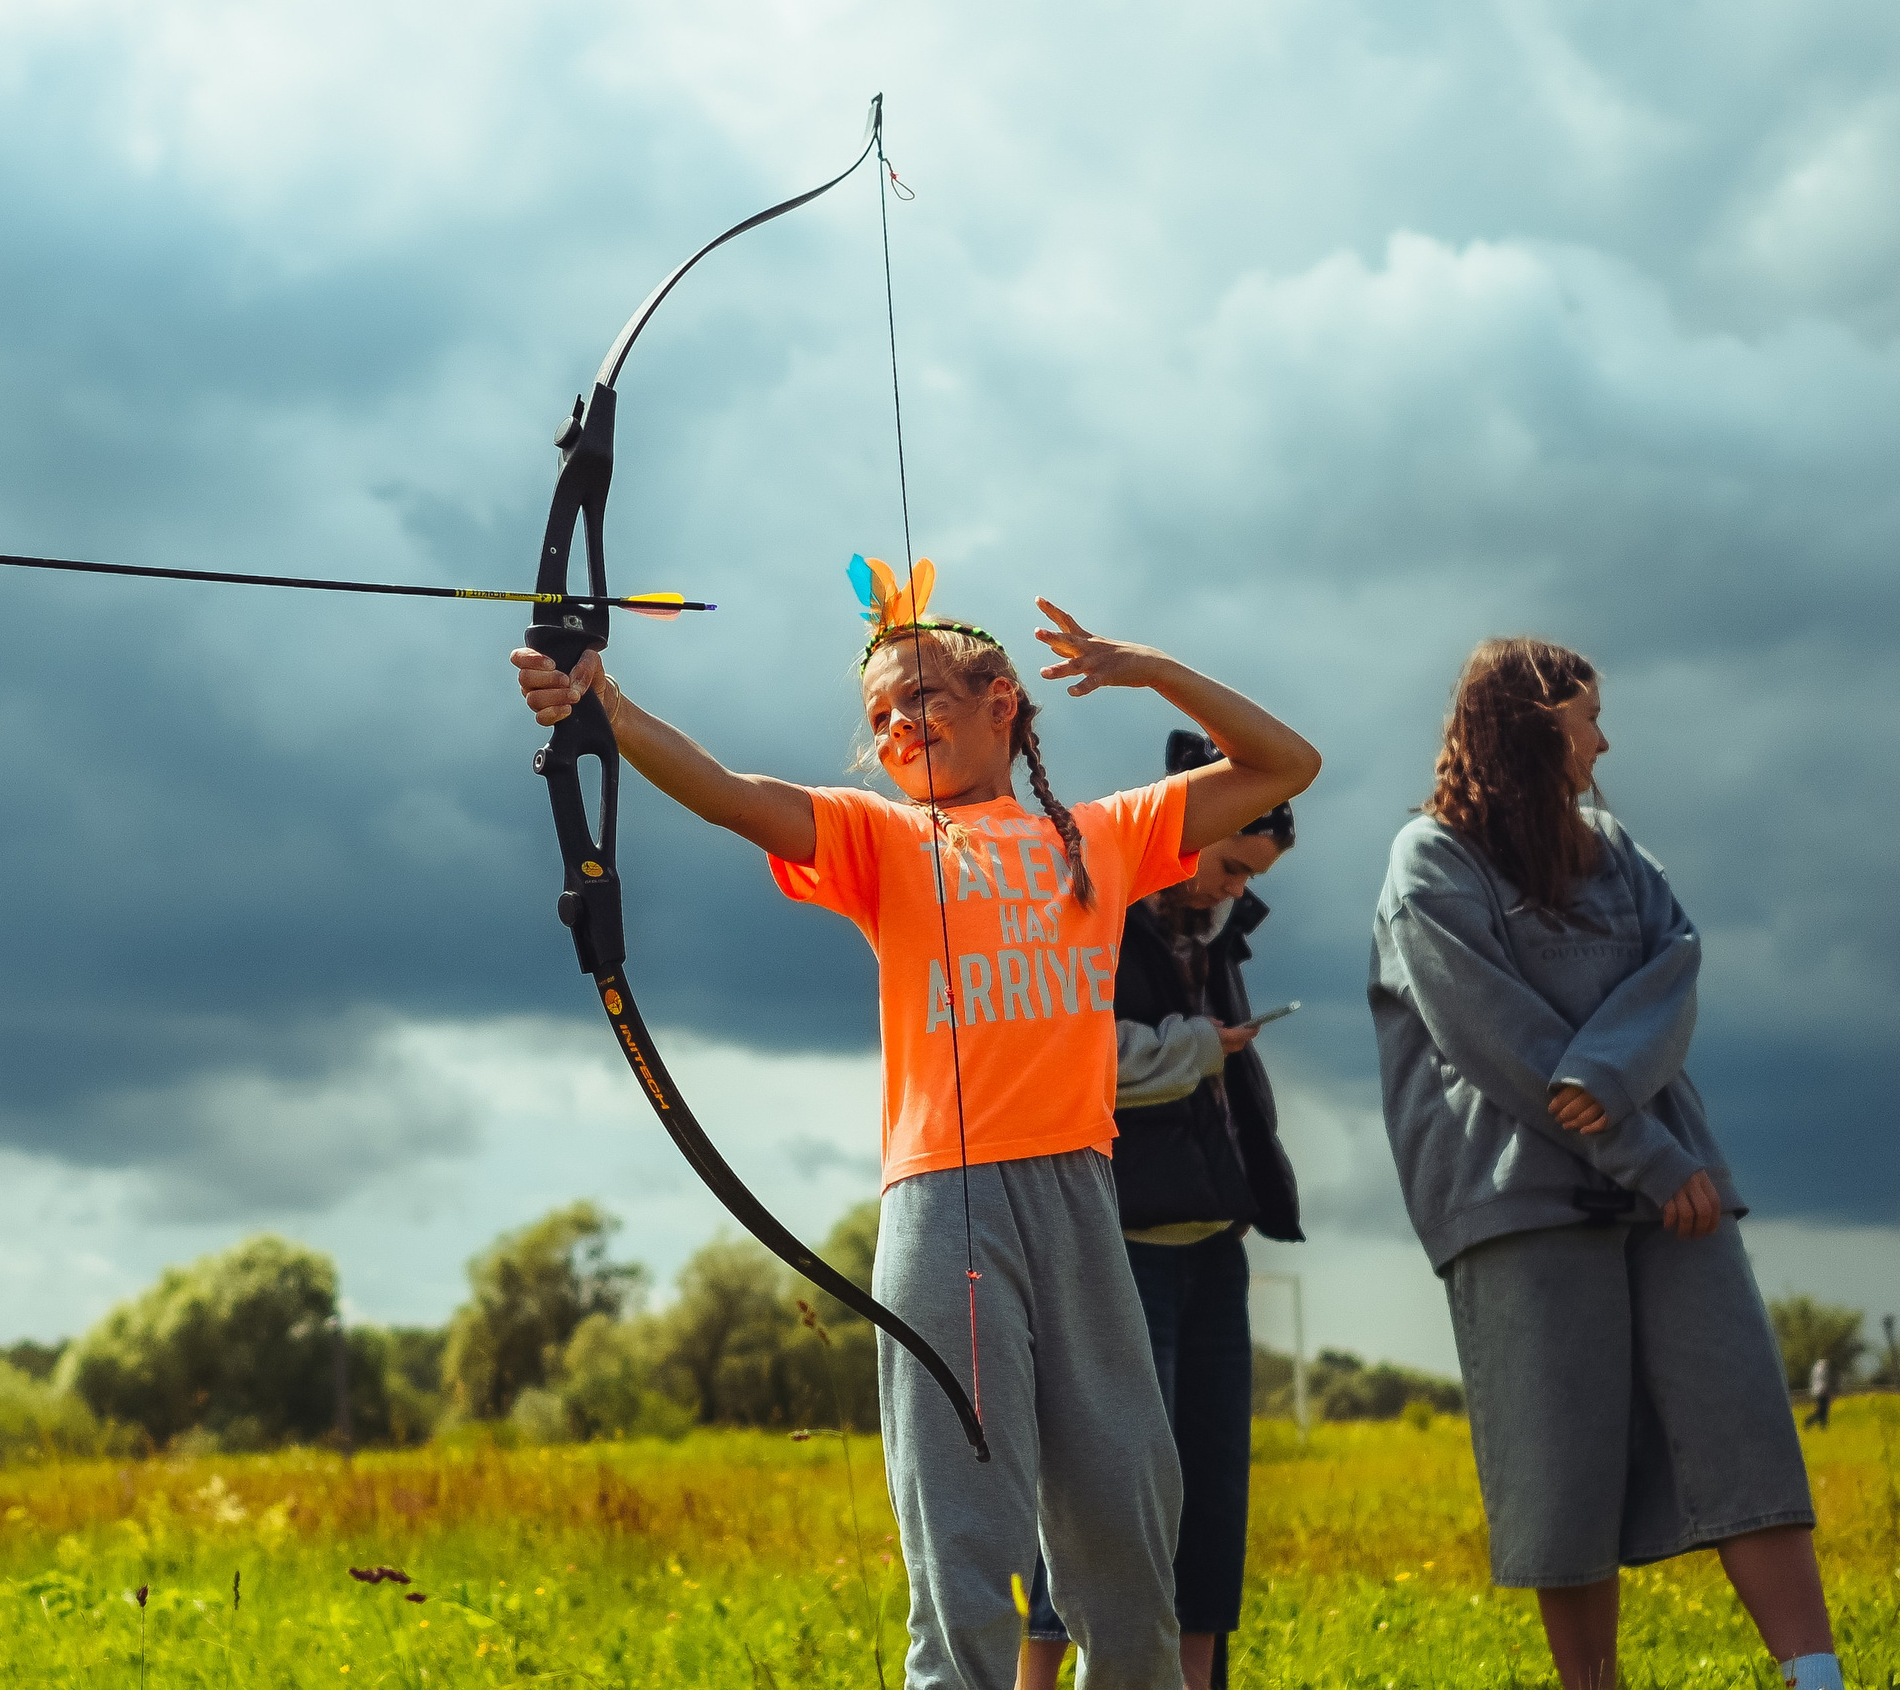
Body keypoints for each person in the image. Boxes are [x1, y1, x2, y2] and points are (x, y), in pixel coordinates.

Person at [515, 574, 1319, 1690]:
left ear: (1004, 705)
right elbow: (726, 794)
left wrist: (1149, 671)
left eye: (926, 695)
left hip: (1083, 1199)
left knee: (1129, 1524)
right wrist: (603, 704)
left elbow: (1286, 768)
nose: (899, 725)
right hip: (947, 1208)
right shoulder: (880, 841)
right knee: (963, 1536)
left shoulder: (1101, 836)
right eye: (881, 716)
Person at [1369, 637, 1842, 1690]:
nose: (1603, 739)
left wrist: (1641, 1136)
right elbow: (1501, 1041)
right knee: (1560, 1470)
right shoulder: (1430, 861)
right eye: (1586, 718)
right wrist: (1640, 1147)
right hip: (1522, 1203)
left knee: (1745, 1432)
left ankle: (1818, 1678)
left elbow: (1669, 971)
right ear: (1534, 732)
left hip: (1673, 1187)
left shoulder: (1613, 849)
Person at [1017, 731, 1304, 1690]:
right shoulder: (1088, 900)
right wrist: (1196, 1046)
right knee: (1106, 1490)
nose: (1230, 889)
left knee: (1213, 1491)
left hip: (1214, 1243)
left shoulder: (1214, 933)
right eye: (1227, 864)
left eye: (1249, 876)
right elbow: (1069, 1049)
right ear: (1196, 827)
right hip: (1120, 1242)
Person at [1806, 1356, 1834, 1430]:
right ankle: (1809, 1421)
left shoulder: (1816, 1368)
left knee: (1823, 1411)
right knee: (1822, 1411)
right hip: (1822, 1391)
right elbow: (1824, 1381)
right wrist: (1827, 1391)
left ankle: (1823, 1427)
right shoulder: (1823, 1369)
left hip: (1817, 1391)